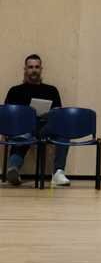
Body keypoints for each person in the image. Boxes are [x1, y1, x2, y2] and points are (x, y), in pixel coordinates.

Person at [3, 54, 69, 187]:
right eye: (31, 67)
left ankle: (58, 173)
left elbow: (58, 113)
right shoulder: (15, 91)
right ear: (25, 69)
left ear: (41, 69)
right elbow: (7, 115)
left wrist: (49, 114)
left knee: (63, 130)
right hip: (23, 128)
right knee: (23, 136)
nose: (34, 70)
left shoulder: (51, 90)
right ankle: (13, 170)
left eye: (37, 67)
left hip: (44, 128)